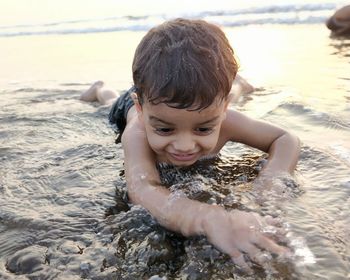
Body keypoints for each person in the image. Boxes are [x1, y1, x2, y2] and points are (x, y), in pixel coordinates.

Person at [81, 19, 300, 271]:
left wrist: (269, 185)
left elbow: (286, 139)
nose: (184, 145)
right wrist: (205, 216)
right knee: (109, 101)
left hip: (201, 99)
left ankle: (237, 85)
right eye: (164, 129)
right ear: (144, 110)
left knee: (224, 93)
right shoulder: (137, 131)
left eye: (204, 128)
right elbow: (142, 189)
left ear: (224, 110)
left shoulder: (225, 117)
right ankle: (99, 89)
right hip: (128, 106)